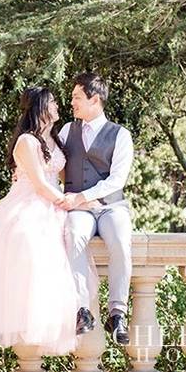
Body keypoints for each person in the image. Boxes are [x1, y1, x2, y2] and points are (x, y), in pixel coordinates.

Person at [0, 87, 97, 356]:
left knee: (70, 246)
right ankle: (35, 318)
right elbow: (40, 184)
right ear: (39, 106)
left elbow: (65, 177)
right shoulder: (26, 142)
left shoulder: (55, 140)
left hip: (54, 202)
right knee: (34, 246)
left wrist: (86, 197)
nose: (58, 105)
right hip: (30, 202)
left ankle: (72, 314)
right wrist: (72, 202)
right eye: (52, 102)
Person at [59, 72, 134, 345]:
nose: (72, 103)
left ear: (95, 99)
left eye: (77, 97)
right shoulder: (67, 130)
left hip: (111, 207)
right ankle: (82, 310)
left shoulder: (121, 135)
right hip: (79, 211)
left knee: (120, 241)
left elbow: (117, 180)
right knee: (73, 235)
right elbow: (55, 165)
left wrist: (83, 196)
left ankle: (118, 312)